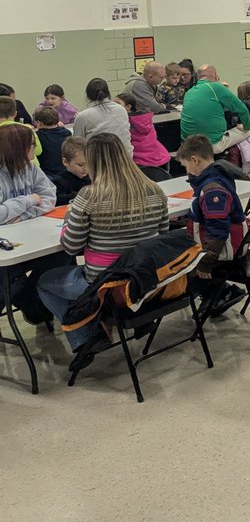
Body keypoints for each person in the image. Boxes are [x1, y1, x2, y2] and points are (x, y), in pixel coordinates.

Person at [37, 133, 170, 363]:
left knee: (45, 282)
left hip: (105, 284)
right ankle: (105, 319)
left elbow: (71, 246)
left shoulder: (89, 196)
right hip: (145, 280)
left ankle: (86, 336)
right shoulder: (154, 190)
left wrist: (69, 221)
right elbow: (162, 236)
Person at [0, 123, 66, 326]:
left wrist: (24, 215)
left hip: (30, 233)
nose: (35, 149)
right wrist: (29, 199)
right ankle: (29, 301)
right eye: (31, 145)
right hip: (7, 245)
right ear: (18, 148)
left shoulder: (31, 168)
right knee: (8, 276)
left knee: (64, 253)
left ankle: (33, 297)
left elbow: (49, 197)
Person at [176, 134, 249, 317]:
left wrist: (205, 263)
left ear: (195, 160)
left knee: (179, 271)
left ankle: (219, 292)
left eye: (186, 165)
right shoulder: (217, 176)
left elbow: (217, 230)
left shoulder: (212, 189)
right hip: (223, 244)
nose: (186, 170)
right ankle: (218, 292)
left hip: (222, 250)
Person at [182, 65, 250, 154]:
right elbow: (242, 109)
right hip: (211, 145)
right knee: (247, 132)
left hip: (188, 145)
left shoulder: (189, 92)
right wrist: (247, 127)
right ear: (215, 75)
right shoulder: (216, 87)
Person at [115, 93, 170, 179]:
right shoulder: (146, 119)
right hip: (159, 157)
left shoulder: (124, 122)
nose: (114, 106)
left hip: (140, 162)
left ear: (128, 107)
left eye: (117, 103)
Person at [72, 78, 133, 155]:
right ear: (108, 93)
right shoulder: (122, 109)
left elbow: (77, 145)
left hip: (100, 160)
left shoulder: (83, 116)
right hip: (125, 158)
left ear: (87, 95)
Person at [53, 137, 91, 205]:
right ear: (65, 162)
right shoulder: (59, 181)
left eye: (89, 164)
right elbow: (56, 200)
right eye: (80, 165)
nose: (86, 168)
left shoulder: (93, 177)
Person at [33, 106, 70, 175]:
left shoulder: (38, 136)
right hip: (64, 169)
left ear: (39, 122)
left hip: (46, 172)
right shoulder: (67, 133)